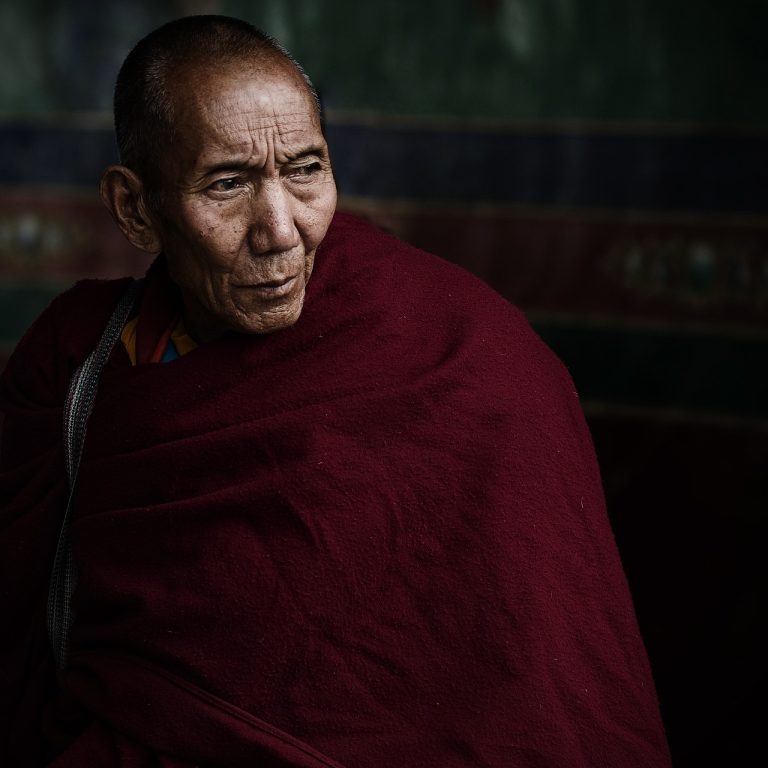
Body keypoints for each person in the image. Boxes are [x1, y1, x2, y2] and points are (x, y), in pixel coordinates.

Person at [0, 14, 672, 768]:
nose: (281, 230)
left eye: (305, 170)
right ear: (135, 209)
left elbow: (549, 691)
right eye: (228, 184)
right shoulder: (78, 364)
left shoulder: (468, 356)